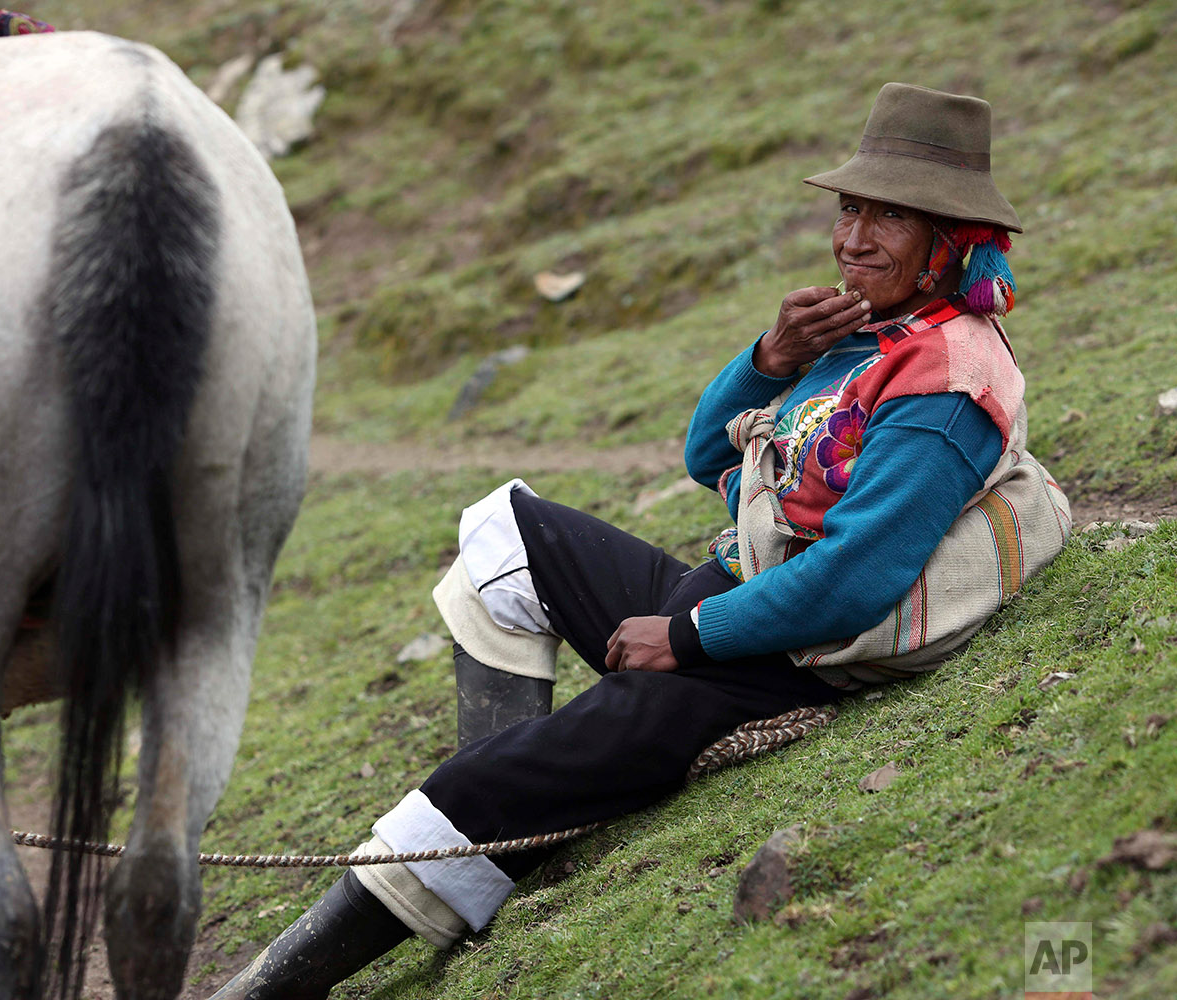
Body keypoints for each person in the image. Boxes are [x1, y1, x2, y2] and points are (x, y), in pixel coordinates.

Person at [208, 82, 1071, 1000]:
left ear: (953, 240)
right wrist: (769, 359)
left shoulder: (947, 381)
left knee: (474, 790)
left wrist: (688, 638)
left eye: (890, 217)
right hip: (731, 599)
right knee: (508, 531)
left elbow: (858, 578)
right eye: (851, 208)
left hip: (786, 661)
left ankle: (280, 979)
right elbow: (708, 455)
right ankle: (521, 831)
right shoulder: (865, 334)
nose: (855, 239)